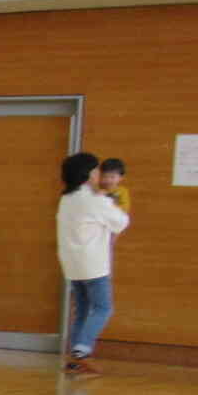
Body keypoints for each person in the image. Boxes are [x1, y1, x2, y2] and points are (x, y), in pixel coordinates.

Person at [57, 152, 129, 378]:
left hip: (72, 265)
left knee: (82, 311)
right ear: (88, 174)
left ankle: (74, 362)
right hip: (93, 265)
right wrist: (108, 200)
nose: (100, 175)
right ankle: (82, 352)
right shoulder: (93, 200)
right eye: (97, 170)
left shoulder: (66, 199)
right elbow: (121, 221)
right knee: (103, 308)